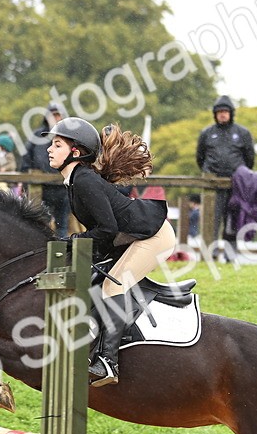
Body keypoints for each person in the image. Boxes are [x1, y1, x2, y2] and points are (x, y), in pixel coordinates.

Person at [48, 117, 174, 387]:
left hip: (153, 236)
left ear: (76, 152)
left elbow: (106, 228)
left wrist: (73, 240)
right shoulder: (74, 180)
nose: (49, 149)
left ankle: (108, 362)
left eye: (57, 144)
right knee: (99, 282)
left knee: (113, 287)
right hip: (130, 236)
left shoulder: (84, 181)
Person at [195, 95, 255, 257]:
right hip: (212, 184)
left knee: (232, 221)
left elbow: (250, 158)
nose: (222, 114)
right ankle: (210, 253)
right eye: (219, 111)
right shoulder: (207, 133)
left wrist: (238, 174)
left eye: (225, 111)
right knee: (211, 219)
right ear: (215, 114)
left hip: (235, 184)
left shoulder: (242, 133)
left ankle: (230, 255)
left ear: (231, 113)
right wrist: (211, 173)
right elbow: (200, 157)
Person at [20, 102, 73, 237]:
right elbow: (26, 161)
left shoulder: (69, 136)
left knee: (62, 227)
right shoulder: (37, 135)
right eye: (52, 115)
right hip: (41, 189)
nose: (55, 118)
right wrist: (27, 181)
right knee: (40, 226)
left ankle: (63, 255)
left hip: (63, 189)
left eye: (58, 115)